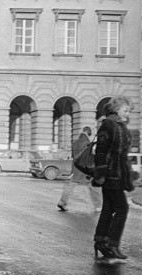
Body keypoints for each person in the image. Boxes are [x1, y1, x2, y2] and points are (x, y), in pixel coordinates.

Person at [92, 96, 134, 262]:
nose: (127, 113)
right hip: (110, 175)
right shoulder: (108, 125)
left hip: (118, 174)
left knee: (108, 209)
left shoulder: (119, 126)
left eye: (128, 110)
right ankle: (112, 243)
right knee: (122, 208)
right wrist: (102, 173)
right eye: (125, 110)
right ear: (116, 109)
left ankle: (101, 242)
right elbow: (101, 151)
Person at [57, 127, 101, 212]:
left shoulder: (75, 143)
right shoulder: (88, 143)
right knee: (95, 187)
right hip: (86, 170)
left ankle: (62, 202)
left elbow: (75, 157)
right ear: (89, 133)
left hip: (76, 169)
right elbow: (92, 157)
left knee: (69, 186)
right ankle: (98, 206)